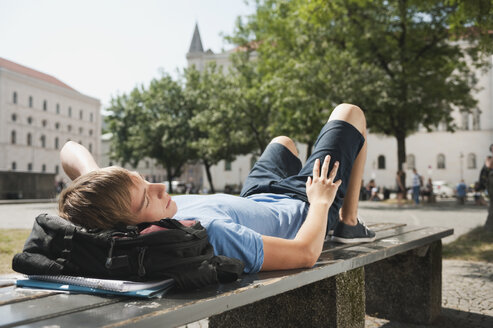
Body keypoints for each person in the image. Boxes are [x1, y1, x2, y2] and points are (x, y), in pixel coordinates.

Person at [58, 103, 376, 274]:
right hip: (302, 204)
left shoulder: (123, 207)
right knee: (351, 113)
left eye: (142, 179)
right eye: (146, 196)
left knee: (283, 143)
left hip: (256, 196)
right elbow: (305, 254)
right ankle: (348, 222)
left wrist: (93, 176)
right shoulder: (210, 233)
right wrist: (321, 203)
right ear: (133, 226)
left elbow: (71, 149)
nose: (158, 186)